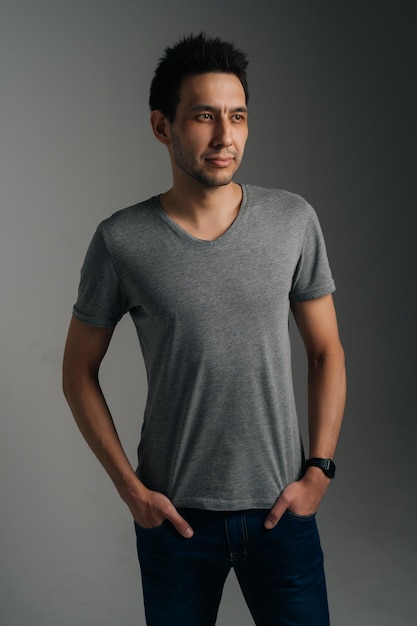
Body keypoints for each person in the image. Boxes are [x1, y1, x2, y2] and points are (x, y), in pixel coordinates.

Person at [63, 33, 346, 626]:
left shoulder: (293, 220)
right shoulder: (121, 240)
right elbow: (77, 372)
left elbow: (326, 352)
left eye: (237, 116)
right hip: (175, 523)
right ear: (162, 127)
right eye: (204, 117)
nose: (226, 136)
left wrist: (319, 470)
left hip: (281, 514)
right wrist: (130, 489)